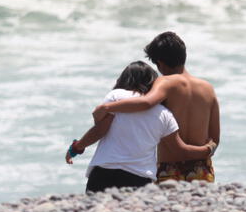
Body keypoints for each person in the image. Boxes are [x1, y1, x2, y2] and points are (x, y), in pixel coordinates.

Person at [66, 60, 216, 193]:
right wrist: (207, 149)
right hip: (139, 179)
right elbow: (180, 150)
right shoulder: (164, 114)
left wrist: (76, 148)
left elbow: (100, 130)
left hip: (104, 172)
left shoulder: (116, 97)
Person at [93, 32, 220, 183]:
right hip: (201, 168)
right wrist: (208, 150)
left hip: (169, 169)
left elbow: (146, 103)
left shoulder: (165, 82)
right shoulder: (208, 89)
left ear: (160, 63)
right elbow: (214, 139)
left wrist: (108, 107)